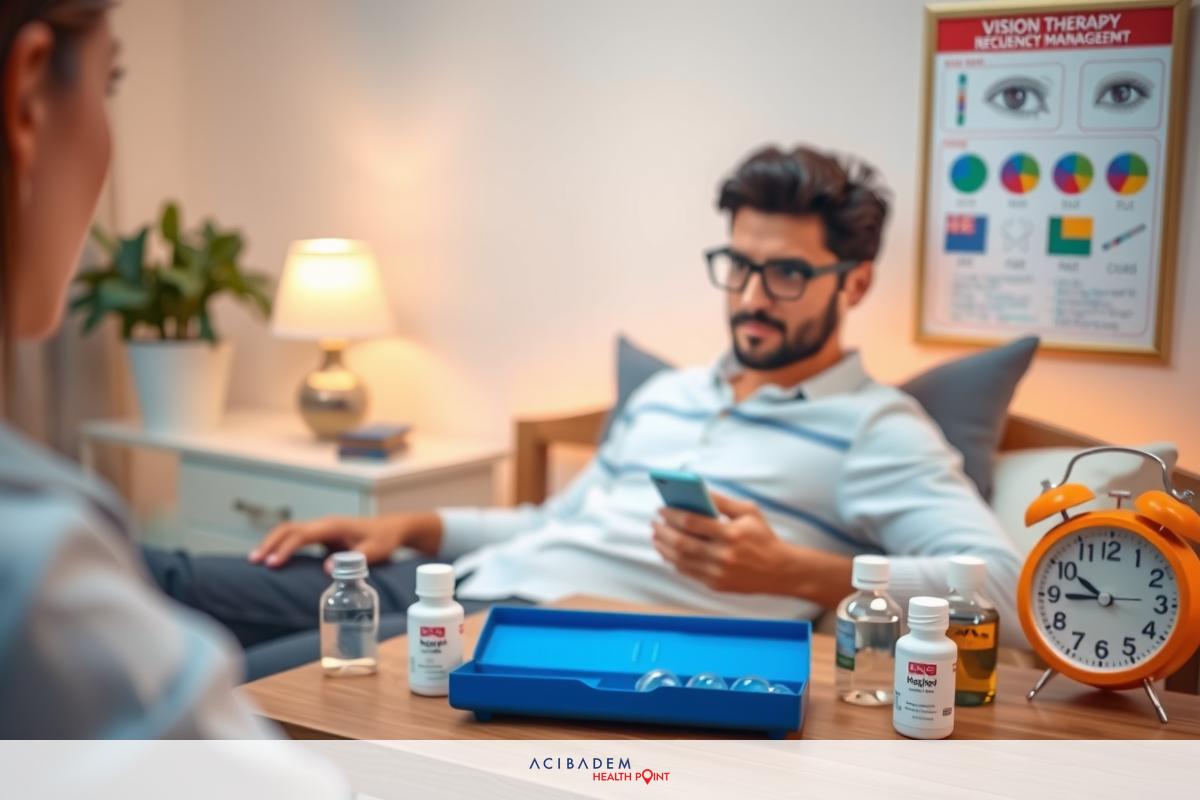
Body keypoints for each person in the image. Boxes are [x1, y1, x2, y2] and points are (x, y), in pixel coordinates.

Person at [147, 145, 1025, 676]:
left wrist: (798, 574)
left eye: (788, 273)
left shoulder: (875, 427)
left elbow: (1003, 589)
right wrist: (408, 525)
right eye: (739, 265)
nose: (753, 296)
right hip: (437, 586)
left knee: (210, 683)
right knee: (163, 577)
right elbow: (555, 520)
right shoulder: (670, 394)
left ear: (856, 282)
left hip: (531, 636)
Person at [0, 4, 342, 788]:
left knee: (162, 575)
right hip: (453, 561)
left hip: (491, 589)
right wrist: (419, 523)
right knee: (167, 569)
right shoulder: (30, 554)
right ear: (27, 103)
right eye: (111, 81)